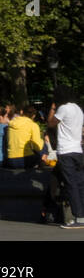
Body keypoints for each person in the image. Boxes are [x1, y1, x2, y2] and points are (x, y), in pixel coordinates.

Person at [47, 87, 84, 229]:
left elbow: (50, 123)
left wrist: (52, 108)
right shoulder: (78, 109)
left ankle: (79, 217)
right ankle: (83, 216)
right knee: (80, 183)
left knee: (71, 184)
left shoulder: (63, 109)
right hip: (78, 151)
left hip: (66, 151)